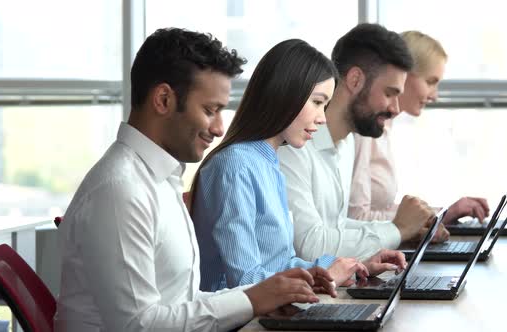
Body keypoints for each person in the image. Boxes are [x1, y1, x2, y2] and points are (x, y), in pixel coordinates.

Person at [55, 28, 338, 332]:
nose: (219, 128)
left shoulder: (158, 179)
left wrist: (267, 294)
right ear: (163, 100)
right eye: (210, 110)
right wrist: (253, 300)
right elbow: (138, 326)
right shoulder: (120, 190)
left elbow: (185, 301)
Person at [189, 39, 406, 293]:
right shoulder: (235, 167)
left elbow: (283, 263)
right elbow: (245, 280)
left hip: (271, 311)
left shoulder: (269, 163)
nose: (322, 118)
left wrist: (353, 266)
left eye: (325, 105)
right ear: (286, 93)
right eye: (317, 102)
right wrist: (323, 279)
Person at [277, 23, 441, 262]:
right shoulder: (294, 147)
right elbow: (309, 246)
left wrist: (405, 230)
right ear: (355, 80)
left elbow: (337, 226)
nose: (395, 109)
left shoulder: (344, 144)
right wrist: (397, 230)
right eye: (389, 93)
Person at [349, 30, 489, 224]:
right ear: (404, 74)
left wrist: (444, 213)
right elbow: (356, 218)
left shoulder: (385, 128)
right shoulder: (365, 131)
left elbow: (382, 210)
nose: (434, 95)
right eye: (430, 82)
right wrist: (432, 220)